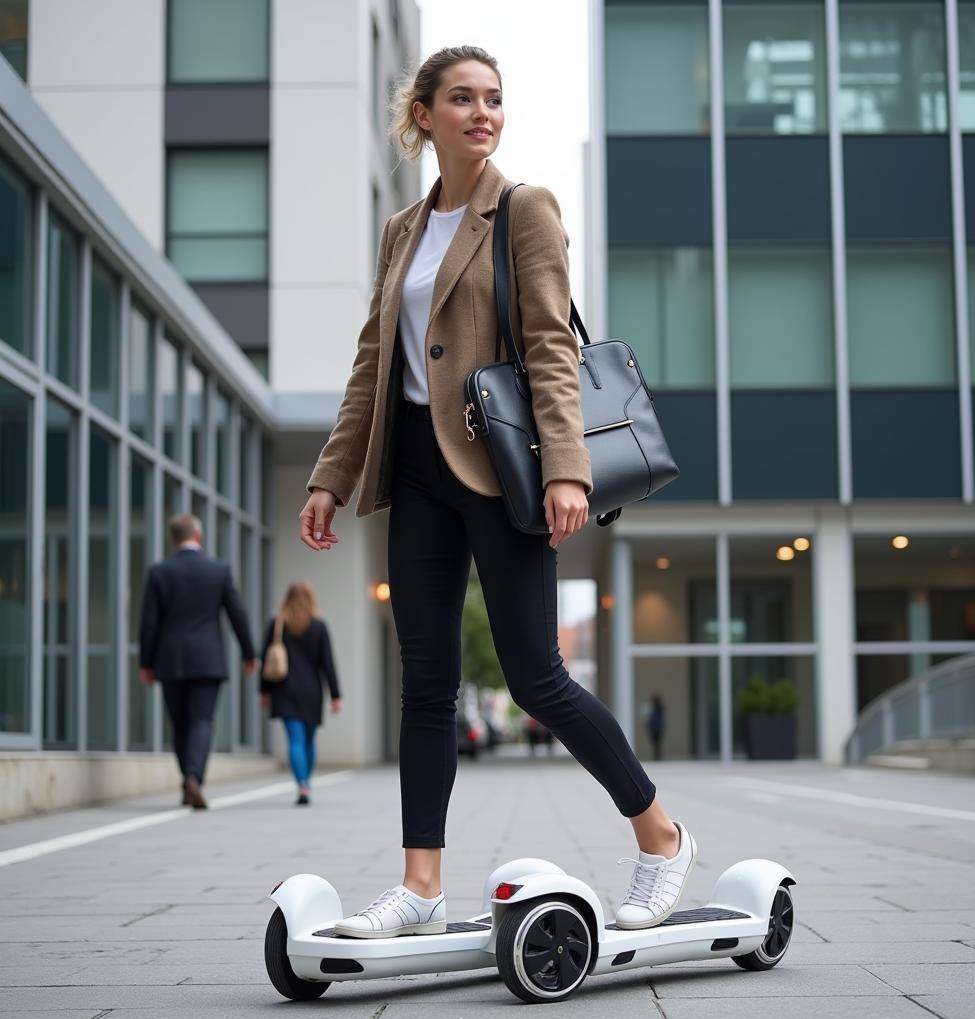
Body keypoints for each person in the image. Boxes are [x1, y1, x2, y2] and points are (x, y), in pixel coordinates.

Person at [298, 46, 697, 939]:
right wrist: (331, 476)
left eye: (495, 100)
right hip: (415, 471)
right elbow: (373, 362)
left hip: (499, 466)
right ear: (425, 115)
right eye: (464, 100)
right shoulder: (403, 228)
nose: (483, 113)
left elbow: (550, 345)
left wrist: (567, 467)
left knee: (536, 678)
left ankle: (662, 837)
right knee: (427, 684)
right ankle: (421, 883)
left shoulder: (523, 209)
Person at [139, 514, 259, 809]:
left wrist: (146, 662)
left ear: (173, 539)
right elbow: (237, 614)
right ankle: (194, 778)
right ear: (199, 536)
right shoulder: (218, 570)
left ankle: (187, 778)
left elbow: (148, 623)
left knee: (180, 723)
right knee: (202, 720)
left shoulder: (160, 571)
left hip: (171, 660)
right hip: (208, 659)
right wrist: (249, 653)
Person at [259, 581, 343, 805]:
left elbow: (266, 659)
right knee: (308, 740)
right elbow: (328, 663)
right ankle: (307, 781)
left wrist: (263, 691)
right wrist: (336, 696)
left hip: (284, 690)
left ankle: (302, 785)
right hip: (311, 691)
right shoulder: (318, 626)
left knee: (294, 739)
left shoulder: (277, 624)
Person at [644, 694, 666, 762]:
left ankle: (657, 756)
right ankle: (657, 756)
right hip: (655, 729)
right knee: (656, 743)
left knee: (657, 743)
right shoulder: (655, 709)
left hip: (656, 729)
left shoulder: (658, 709)